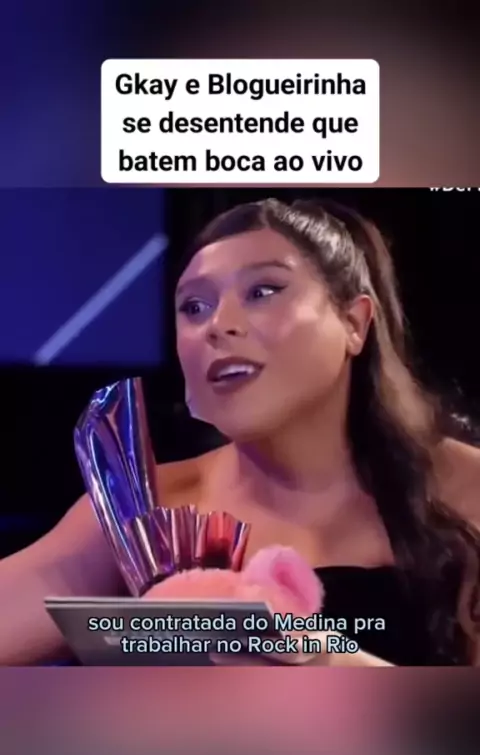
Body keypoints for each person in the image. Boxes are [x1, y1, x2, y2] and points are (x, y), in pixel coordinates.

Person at [0, 197, 479, 666]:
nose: (218, 325)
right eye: (194, 306)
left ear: (354, 322)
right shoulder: (142, 511)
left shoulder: (466, 488)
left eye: (263, 291)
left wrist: (328, 664)